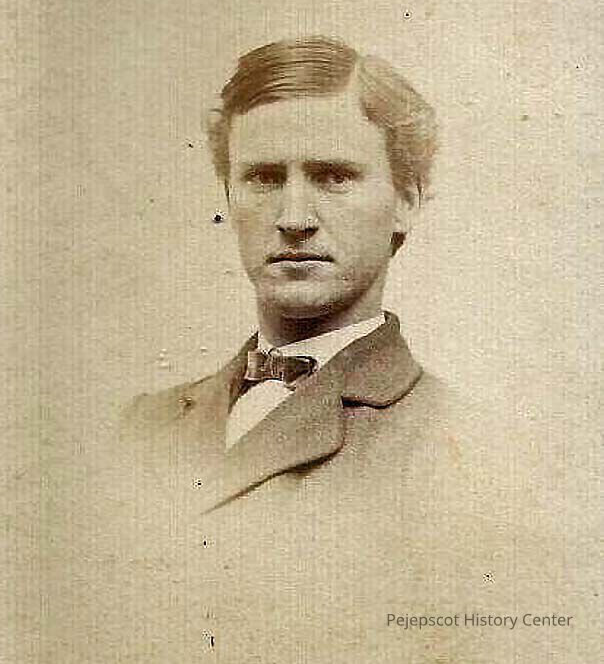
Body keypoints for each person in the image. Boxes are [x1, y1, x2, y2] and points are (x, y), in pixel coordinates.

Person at [112, 36, 590, 663]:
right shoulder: (139, 428)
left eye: (333, 177)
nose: (294, 217)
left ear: (406, 202)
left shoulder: (470, 456)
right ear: (228, 196)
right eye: (262, 177)